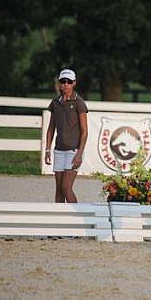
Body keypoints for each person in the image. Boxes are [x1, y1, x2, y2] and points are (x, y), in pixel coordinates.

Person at [44, 69, 88, 202]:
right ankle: (60, 219)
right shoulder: (55, 102)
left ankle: (77, 216)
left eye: (69, 82)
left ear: (74, 83)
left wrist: (79, 154)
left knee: (66, 187)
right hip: (59, 150)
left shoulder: (79, 102)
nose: (65, 85)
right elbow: (51, 128)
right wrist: (47, 149)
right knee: (58, 189)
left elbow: (84, 131)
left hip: (73, 151)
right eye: (63, 81)